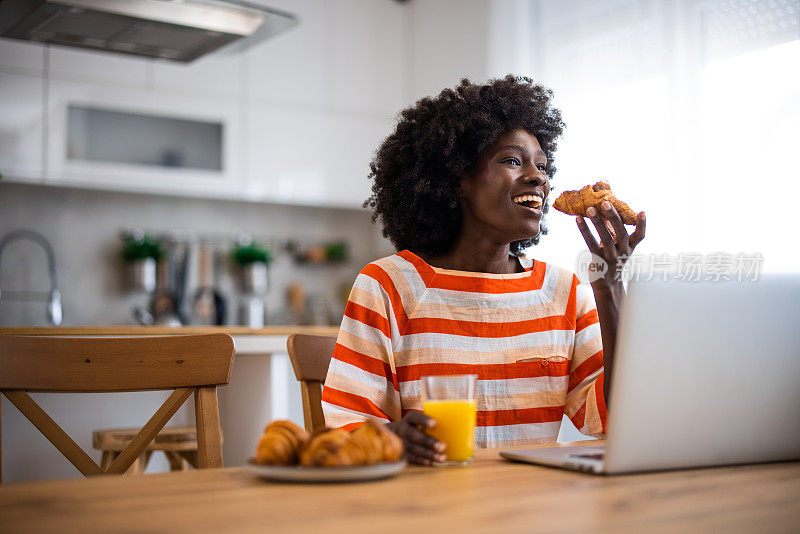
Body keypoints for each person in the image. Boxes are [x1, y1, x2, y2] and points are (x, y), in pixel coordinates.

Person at [321, 75, 646, 465]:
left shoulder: (564, 291)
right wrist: (394, 438)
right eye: (512, 160)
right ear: (458, 178)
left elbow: (616, 420)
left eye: (542, 166)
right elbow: (346, 425)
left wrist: (610, 288)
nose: (538, 177)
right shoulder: (389, 286)